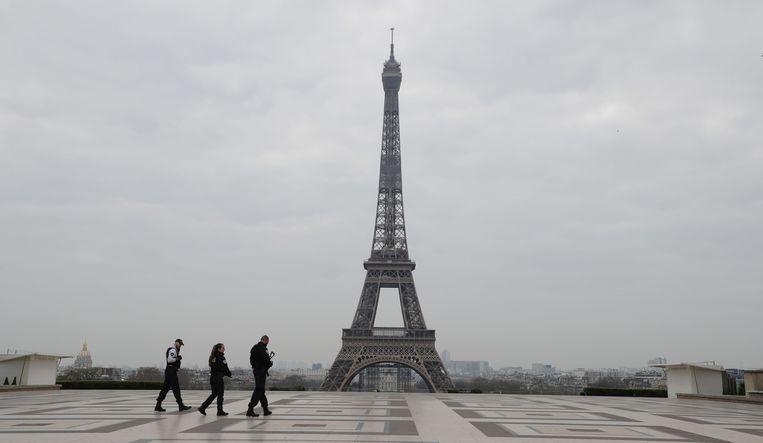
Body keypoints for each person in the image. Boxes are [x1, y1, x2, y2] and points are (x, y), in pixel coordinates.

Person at [155, 338, 192, 412]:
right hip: (171, 371)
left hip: (169, 371)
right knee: (176, 388)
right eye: (179, 344)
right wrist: (178, 358)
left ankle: (158, 405)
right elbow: (170, 360)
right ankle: (180, 405)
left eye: (181, 344)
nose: (180, 346)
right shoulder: (173, 350)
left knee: (165, 389)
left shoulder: (174, 350)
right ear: (176, 343)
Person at [198, 343, 232, 416]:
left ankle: (203, 407)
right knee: (220, 395)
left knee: (214, 394)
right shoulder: (221, 357)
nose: (224, 349)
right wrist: (229, 374)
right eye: (223, 348)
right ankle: (220, 411)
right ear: (219, 349)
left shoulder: (213, 357)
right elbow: (225, 367)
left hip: (212, 378)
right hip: (218, 379)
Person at [246, 335, 273, 417]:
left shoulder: (254, 348)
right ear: (266, 340)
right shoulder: (263, 348)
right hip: (261, 371)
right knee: (259, 390)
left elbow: (251, 360)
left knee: (261, 390)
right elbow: (266, 360)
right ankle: (250, 409)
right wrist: (270, 364)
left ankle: (265, 409)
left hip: (256, 370)